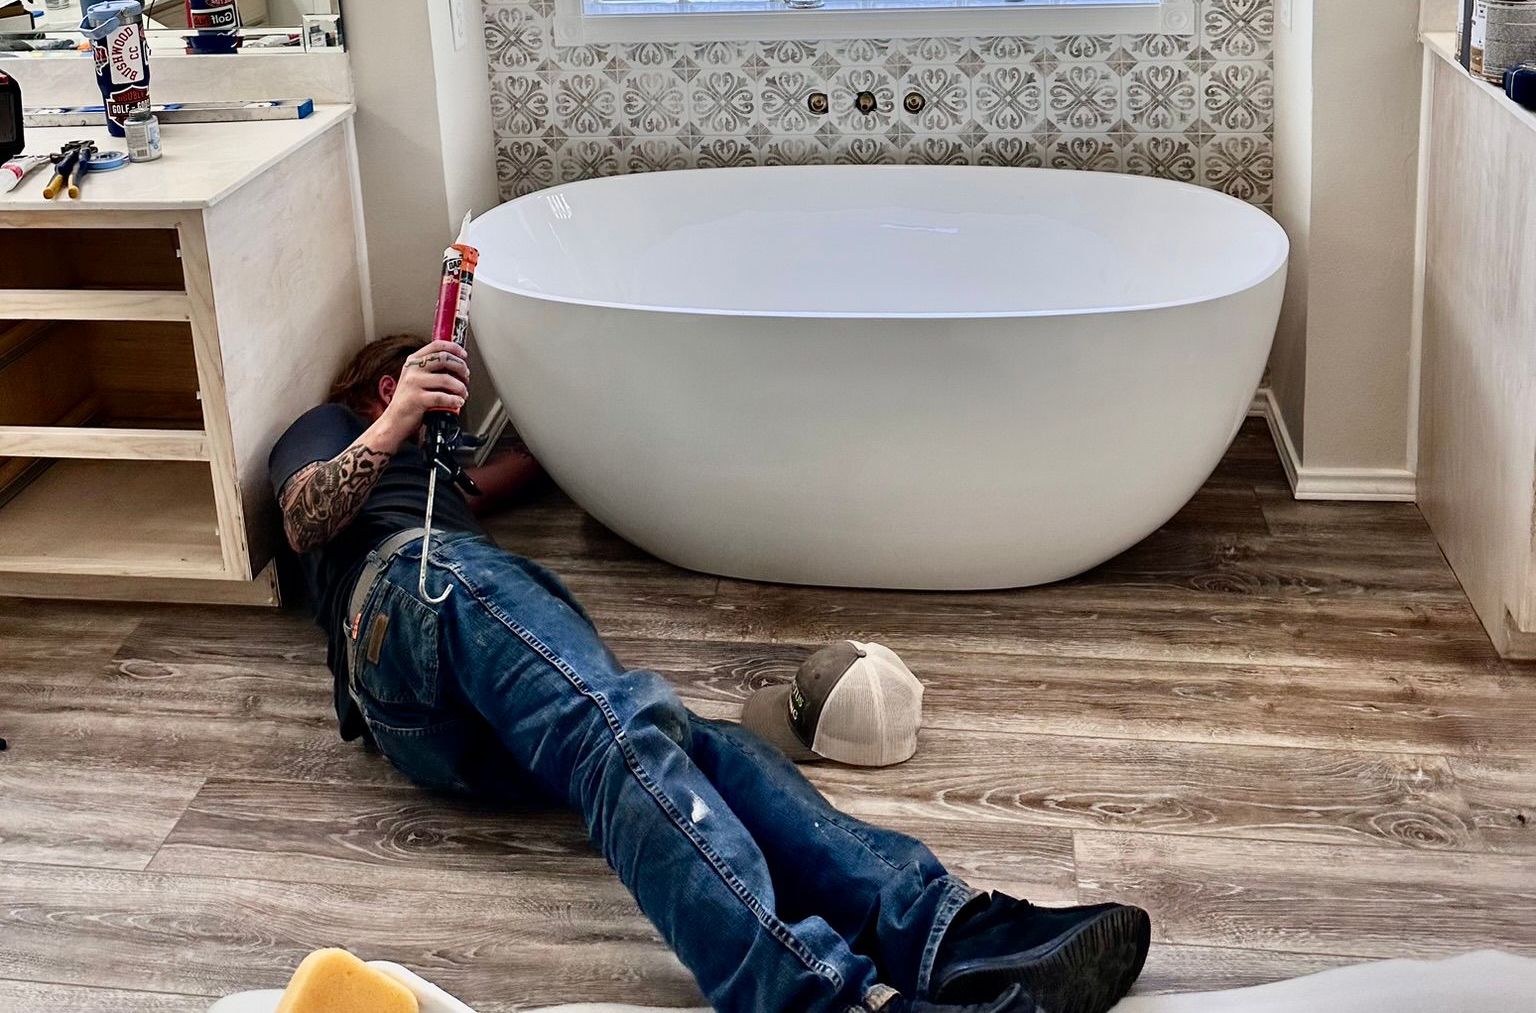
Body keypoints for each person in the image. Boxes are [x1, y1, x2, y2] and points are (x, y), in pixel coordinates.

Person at [269, 335, 1152, 1013]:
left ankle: (948, 936)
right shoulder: (337, 428)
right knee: (616, 728)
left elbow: (526, 470)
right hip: (406, 596)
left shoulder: (442, 477)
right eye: (434, 396)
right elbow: (305, 517)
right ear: (390, 383)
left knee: (690, 747)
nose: (451, 424)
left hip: (445, 729)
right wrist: (392, 423)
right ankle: (815, 998)